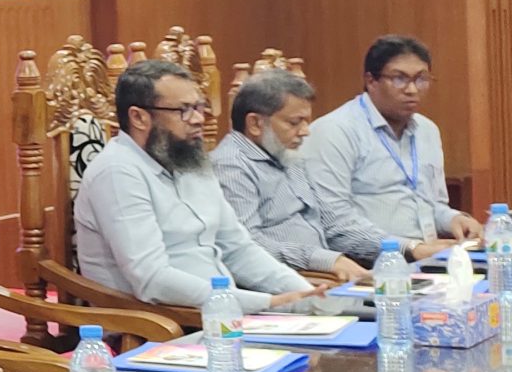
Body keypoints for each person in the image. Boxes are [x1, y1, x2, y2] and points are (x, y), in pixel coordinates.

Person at [75, 60, 318, 312]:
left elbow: (238, 249)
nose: (199, 119)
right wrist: (262, 303)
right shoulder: (117, 172)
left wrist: (305, 294)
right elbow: (152, 279)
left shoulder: (187, 158)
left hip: (220, 310)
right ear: (139, 117)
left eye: (199, 107)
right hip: (160, 323)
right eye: (184, 110)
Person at [297, 34, 484, 258]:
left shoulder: (427, 131)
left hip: (426, 257)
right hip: (367, 263)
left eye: (421, 79)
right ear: (371, 81)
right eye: (399, 79)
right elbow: (334, 224)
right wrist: (410, 248)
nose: (412, 90)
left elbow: (428, 205)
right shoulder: (334, 131)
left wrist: (453, 219)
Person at [212, 70, 372, 284]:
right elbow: (247, 246)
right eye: (295, 122)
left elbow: (333, 223)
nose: (306, 131)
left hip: (324, 274)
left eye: (306, 122)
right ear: (255, 124)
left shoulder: (286, 154)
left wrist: (405, 247)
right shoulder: (231, 166)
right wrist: (325, 260)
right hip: (284, 283)